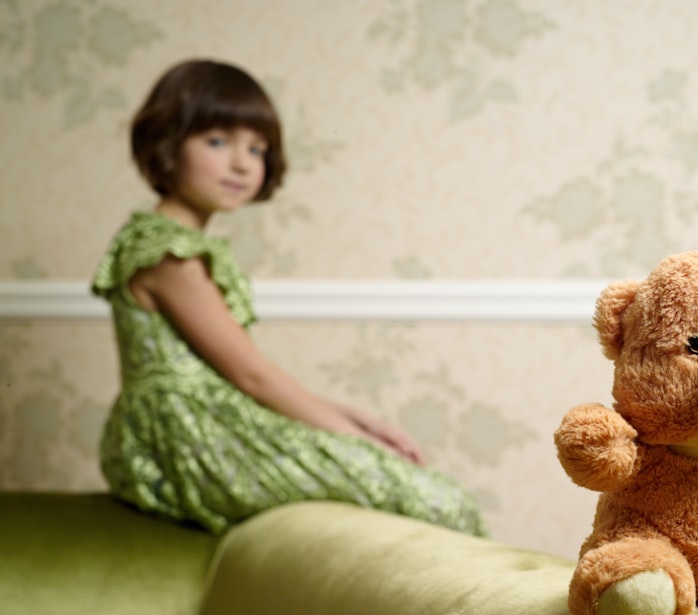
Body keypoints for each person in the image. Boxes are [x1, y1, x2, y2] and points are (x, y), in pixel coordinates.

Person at [91, 59, 487, 536]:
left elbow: (239, 371)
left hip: (209, 423)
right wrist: (358, 441)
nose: (242, 163)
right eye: (218, 141)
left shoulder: (176, 244)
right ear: (167, 144)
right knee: (438, 500)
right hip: (188, 441)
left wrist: (350, 416)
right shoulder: (167, 254)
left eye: (256, 149)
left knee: (427, 492)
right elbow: (251, 375)